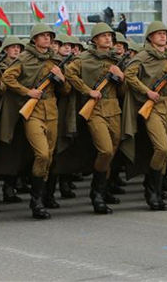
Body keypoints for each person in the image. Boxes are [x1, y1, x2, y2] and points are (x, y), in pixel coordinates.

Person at [1, 23, 71, 220]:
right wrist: (27, 92)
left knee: (49, 156)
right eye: (42, 36)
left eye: (49, 35)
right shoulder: (24, 58)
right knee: (41, 154)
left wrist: (61, 78)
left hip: (52, 110)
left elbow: (65, 91)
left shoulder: (55, 60)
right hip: (33, 111)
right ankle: (36, 200)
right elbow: (8, 78)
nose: (47, 39)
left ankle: (40, 197)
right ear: (34, 39)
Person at [65, 22, 125, 214]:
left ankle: (103, 189)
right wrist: (87, 91)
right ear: (95, 40)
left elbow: (123, 91)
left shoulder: (116, 60)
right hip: (95, 110)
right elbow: (69, 73)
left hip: (114, 108)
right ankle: (96, 193)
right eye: (104, 36)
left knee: (112, 151)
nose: (108, 38)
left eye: (110, 36)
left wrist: (121, 77)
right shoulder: (85, 59)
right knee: (105, 150)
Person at [122, 21, 167, 210]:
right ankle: (151, 189)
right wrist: (147, 92)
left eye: (165, 33)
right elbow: (129, 76)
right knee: (161, 148)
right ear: (150, 37)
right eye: (158, 34)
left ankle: (157, 189)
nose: (163, 36)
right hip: (152, 106)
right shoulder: (142, 57)